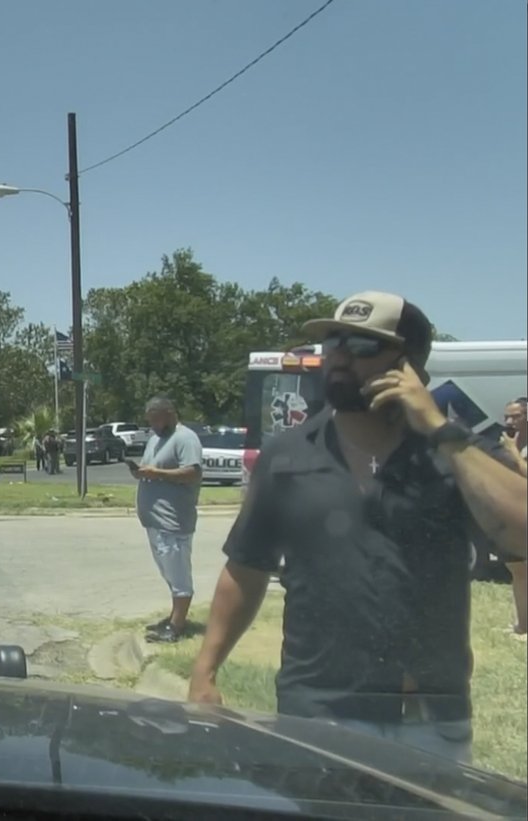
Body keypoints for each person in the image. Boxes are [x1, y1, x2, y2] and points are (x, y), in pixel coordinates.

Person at [188, 291, 528, 763]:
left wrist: (437, 426)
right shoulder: (287, 457)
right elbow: (246, 568)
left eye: (363, 346)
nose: (340, 356)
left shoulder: (455, 453)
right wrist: (205, 672)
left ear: (410, 365)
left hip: (429, 719)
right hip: (316, 713)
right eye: (334, 342)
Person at [129, 396, 203, 644]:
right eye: (150, 421)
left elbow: (192, 472)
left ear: (169, 413)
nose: (152, 425)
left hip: (174, 521)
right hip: (154, 521)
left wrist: (156, 473)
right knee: (169, 573)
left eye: (155, 420)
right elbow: (153, 469)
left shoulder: (185, 438)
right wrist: (142, 472)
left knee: (179, 573)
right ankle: (174, 616)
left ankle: (177, 626)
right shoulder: (155, 439)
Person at [500, 398, 527, 641]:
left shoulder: (515, 448)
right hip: (517, 515)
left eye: (515, 416)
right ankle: (522, 626)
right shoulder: (512, 444)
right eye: (506, 417)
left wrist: (514, 454)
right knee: (518, 570)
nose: (509, 422)